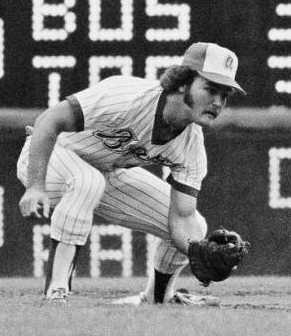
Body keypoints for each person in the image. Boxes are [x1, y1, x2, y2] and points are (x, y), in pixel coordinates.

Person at [17, 42, 245, 305]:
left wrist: (197, 250)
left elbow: (181, 219)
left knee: (197, 226)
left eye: (224, 94)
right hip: (48, 157)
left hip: (104, 172)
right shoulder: (128, 97)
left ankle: (157, 298)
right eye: (210, 89)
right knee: (86, 181)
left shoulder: (191, 146)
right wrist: (35, 186)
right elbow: (49, 121)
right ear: (183, 83)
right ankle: (56, 292)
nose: (218, 102)